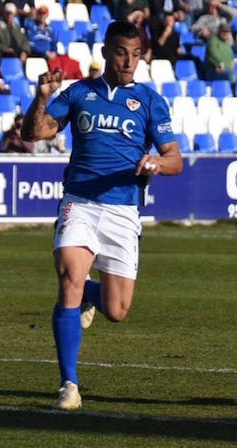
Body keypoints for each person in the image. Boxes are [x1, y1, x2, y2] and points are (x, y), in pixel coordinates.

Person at [21, 20, 183, 410]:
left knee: (117, 310)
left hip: (123, 210)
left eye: (135, 53)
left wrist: (156, 163)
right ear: (107, 52)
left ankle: (95, 298)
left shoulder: (149, 100)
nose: (128, 60)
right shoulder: (79, 92)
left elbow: (176, 160)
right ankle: (69, 385)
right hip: (80, 201)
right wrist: (41, 96)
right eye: (121, 52)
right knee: (69, 278)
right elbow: (34, 132)